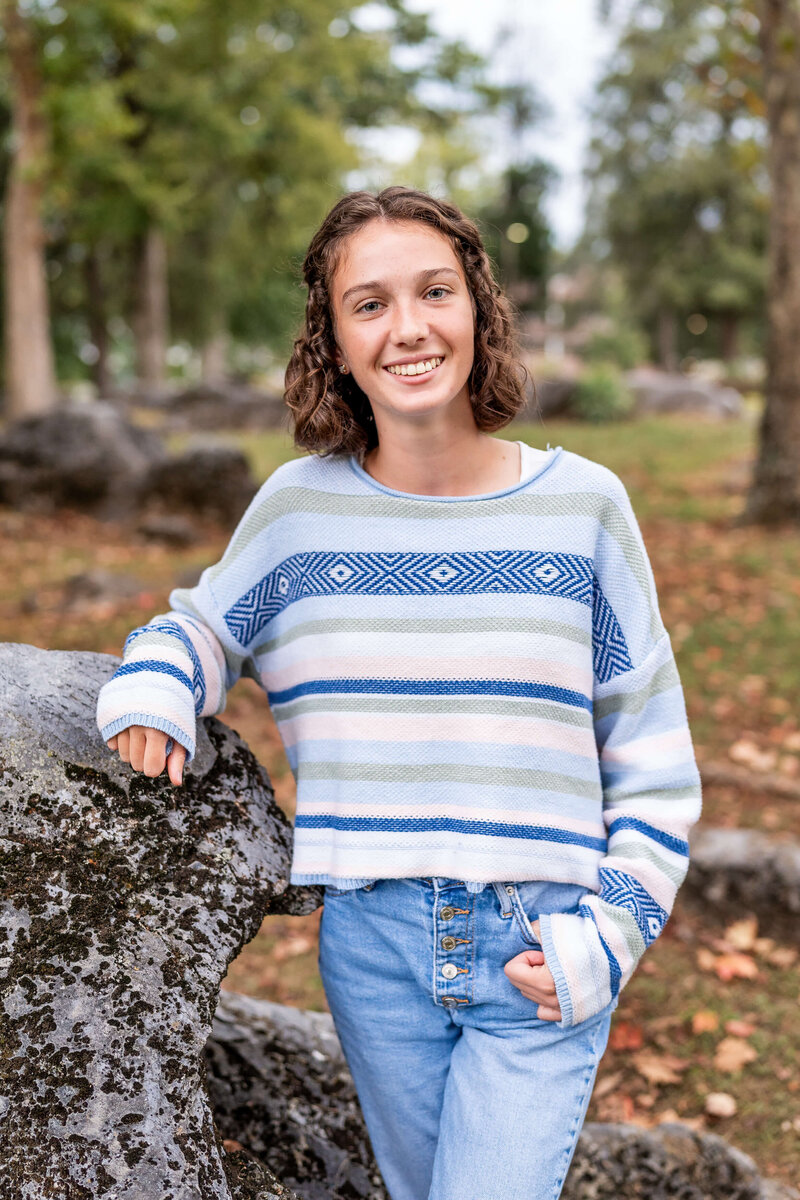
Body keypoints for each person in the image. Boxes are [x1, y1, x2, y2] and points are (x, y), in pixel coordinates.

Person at [97, 186, 702, 1200]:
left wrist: (613, 929)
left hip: (538, 946)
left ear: (477, 309)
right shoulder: (297, 513)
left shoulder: (582, 507)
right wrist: (154, 690)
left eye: (433, 292)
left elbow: (650, 753)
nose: (408, 327)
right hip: (371, 950)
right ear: (331, 338)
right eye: (368, 304)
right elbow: (197, 628)